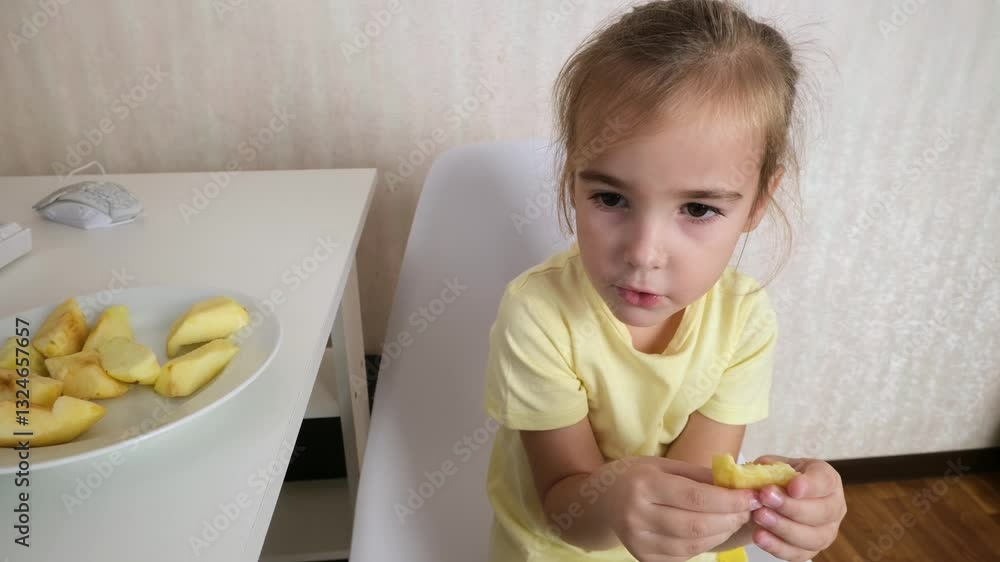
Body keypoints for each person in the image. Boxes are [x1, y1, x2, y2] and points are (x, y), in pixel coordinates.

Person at [482, 1, 846, 561]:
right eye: (610, 198)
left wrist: (776, 515)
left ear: (757, 203)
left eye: (698, 209)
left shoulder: (743, 321)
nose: (643, 254)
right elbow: (564, 511)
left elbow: (696, 507)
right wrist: (614, 496)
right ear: (572, 177)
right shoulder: (539, 313)